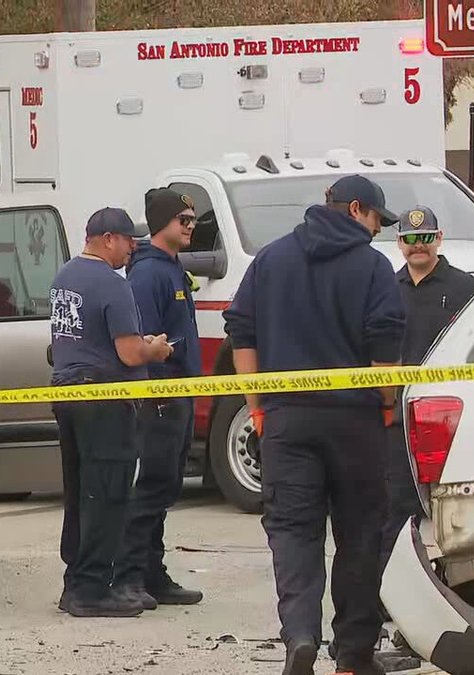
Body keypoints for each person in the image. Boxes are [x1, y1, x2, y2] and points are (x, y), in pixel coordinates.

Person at [223, 175, 406, 675]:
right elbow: (384, 351)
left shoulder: (271, 259)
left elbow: (242, 330)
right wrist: (386, 407)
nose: (377, 232)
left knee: (293, 533)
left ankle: (301, 636)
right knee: (360, 535)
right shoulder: (372, 267)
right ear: (355, 209)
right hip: (357, 422)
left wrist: (258, 406)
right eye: (376, 219)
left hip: (286, 420)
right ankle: (352, 654)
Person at [50, 206, 174, 618]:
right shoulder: (111, 283)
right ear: (107, 239)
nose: (133, 247)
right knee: (107, 493)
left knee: (81, 492)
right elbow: (128, 350)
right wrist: (154, 349)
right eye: (127, 239)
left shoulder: (64, 277)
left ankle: (76, 582)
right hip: (104, 400)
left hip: (68, 395)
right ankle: (91, 588)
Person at [112, 188, 204, 609]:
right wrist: (156, 393)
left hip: (181, 392)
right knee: (150, 488)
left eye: (193, 220)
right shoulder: (148, 274)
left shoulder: (171, 268)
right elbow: (145, 341)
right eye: (183, 220)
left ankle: (152, 572)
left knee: (166, 487)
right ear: (161, 223)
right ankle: (127, 575)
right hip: (160, 396)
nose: (190, 226)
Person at [381, 206, 474, 565]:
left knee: (456, 513)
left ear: (439, 239)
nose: (418, 246)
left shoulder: (467, 290)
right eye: (410, 239)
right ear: (400, 244)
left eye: (425, 238)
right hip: (399, 422)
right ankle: (390, 595)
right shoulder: (386, 291)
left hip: (450, 421)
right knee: (395, 513)